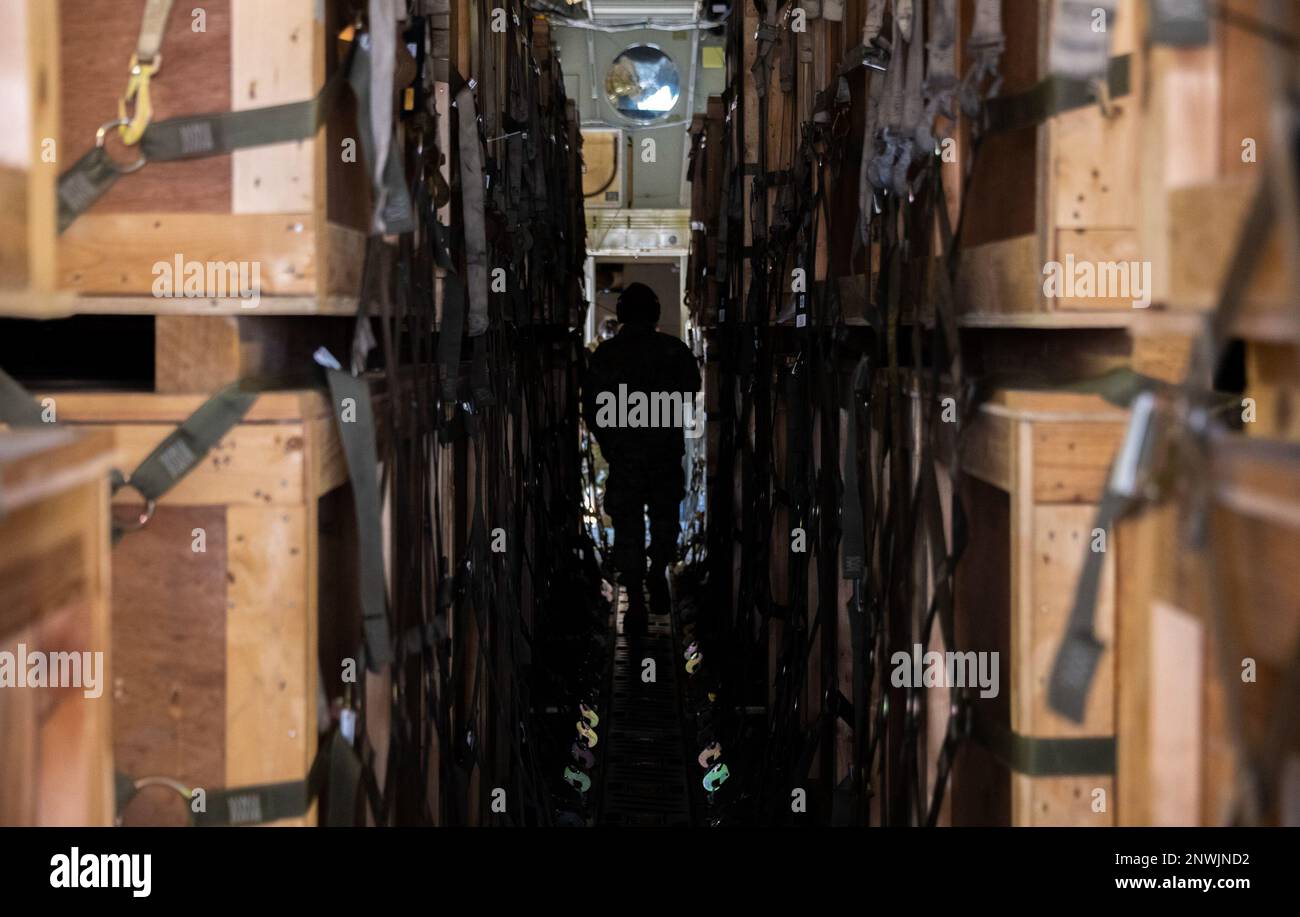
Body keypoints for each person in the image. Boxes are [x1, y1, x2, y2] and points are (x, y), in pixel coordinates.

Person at [583, 283, 701, 637]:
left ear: (620, 314)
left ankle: (635, 600)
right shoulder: (675, 351)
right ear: (654, 313)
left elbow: (591, 408)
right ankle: (656, 571)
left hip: (627, 459)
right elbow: (690, 397)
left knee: (628, 531)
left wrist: (613, 444)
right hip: (663, 456)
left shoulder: (606, 356)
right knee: (665, 521)